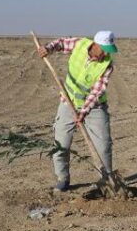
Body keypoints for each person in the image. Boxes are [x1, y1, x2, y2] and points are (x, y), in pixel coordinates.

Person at [38, 31, 118, 193]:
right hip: (68, 102)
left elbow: (96, 93)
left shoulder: (107, 65)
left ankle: (107, 179)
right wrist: (48, 48)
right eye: (103, 49)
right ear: (94, 44)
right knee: (61, 143)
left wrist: (83, 112)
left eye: (108, 50)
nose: (105, 54)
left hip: (94, 107)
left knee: (103, 144)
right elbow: (60, 43)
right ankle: (63, 179)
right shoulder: (80, 44)